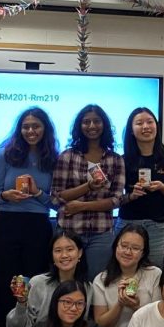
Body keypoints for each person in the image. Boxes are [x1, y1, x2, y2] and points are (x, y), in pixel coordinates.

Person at [0, 107, 58, 327]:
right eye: (26, 126)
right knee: (5, 286)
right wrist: (6, 195)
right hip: (6, 225)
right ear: (19, 129)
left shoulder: (53, 159)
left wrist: (37, 192)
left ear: (45, 129)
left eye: (36, 126)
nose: (31, 131)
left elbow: (55, 203)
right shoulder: (5, 154)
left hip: (38, 227)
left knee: (35, 286)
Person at [52, 104, 126, 280]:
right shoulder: (67, 156)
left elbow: (116, 200)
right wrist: (88, 187)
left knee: (97, 283)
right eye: (86, 122)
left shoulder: (115, 160)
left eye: (96, 121)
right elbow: (57, 197)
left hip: (101, 233)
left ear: (104, 125)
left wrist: (81, 206)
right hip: (69, 232)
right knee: (67, 283)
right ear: (79, 126)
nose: (92, 126)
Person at [92, 224, 163, 327]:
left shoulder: (154, 274)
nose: (127, 252)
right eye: (124, 246)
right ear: (116, 246)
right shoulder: (102, 279)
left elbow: (159, 319)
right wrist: (120, 304)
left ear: (143, 253)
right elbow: (101, 324)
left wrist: (136, 307)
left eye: (135, 248)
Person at [118, 107, 164, 267]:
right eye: (139, 123)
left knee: (157, 273)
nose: (145, 127)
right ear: (131, 130)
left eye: (150, 122)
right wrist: (131, 195)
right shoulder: (122, 160)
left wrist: (162, 187)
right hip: (128, 224)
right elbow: (113, 198)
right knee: (125, 272)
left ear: (157, 126)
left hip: (159, 227)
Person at [7, 229, 92, 327]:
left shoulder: (87, 288)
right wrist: (21, 303)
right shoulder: (37, 283)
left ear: (79, 253)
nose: (64, 255)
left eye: (69, 249)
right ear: (52, 255)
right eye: (58, 250)